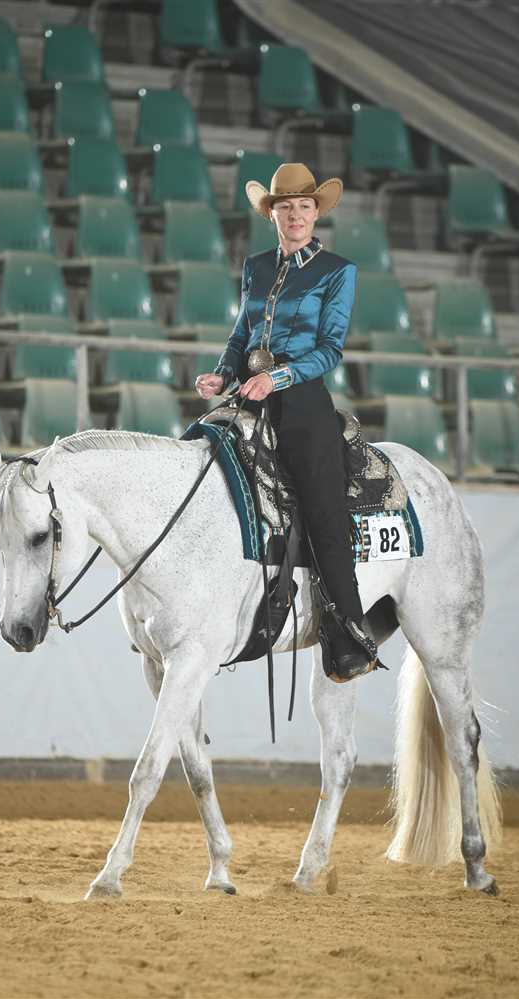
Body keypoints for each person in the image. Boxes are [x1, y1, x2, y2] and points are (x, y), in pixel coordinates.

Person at [195, 163, 377, 682]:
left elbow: (330, 350)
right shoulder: (255, 266)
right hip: (248, 396)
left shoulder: (338, 271)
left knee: (322, 506)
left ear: (316, 214)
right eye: (285, 207)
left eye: (304, 207)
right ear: (271, 214)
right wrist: (223, 373)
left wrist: (276, 380)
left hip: (301, 403)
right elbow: (241, 335)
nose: (295, 215)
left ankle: (349, 630)